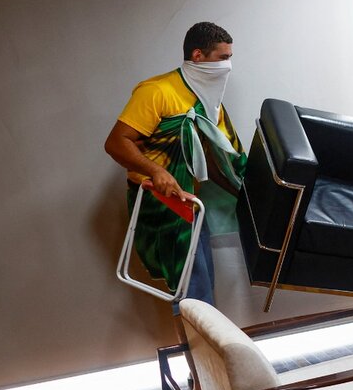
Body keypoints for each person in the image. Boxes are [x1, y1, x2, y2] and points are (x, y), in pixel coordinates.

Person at [104, 22, 247, 309]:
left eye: (230, 57)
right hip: (162, 205)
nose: (228, 66)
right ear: (198, 56)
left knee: (202, 288)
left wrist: (242, 192)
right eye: (223, 57)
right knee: (191, 292)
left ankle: (202, 337)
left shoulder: (208, 100)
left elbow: (212, 156)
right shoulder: (157, 91)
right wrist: (156, 170)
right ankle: (195, 338)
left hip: (190, 203)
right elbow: (116, 143)